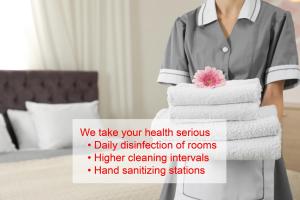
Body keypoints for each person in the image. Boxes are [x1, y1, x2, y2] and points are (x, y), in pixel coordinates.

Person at [157, 0, 300, 199]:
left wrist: (261, 144)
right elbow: (181, 101)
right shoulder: (185, 24)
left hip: (256, 148)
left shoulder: (276, 19)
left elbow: (274, 96)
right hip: (198, 152)